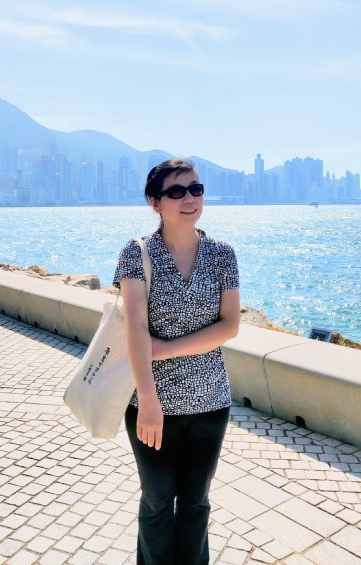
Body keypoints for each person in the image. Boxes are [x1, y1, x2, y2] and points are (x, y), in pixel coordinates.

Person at [113, 158, 241, 565]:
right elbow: (135, 326)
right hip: (152, 404)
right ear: (155, 202)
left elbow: (230, 326)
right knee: (156, 502)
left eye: (196, 189)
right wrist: (149, 401)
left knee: (196, 502)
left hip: (211, 402)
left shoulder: (222, 254)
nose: (190, 198)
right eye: (176, 191)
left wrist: (164, 349)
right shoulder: (137, 253)